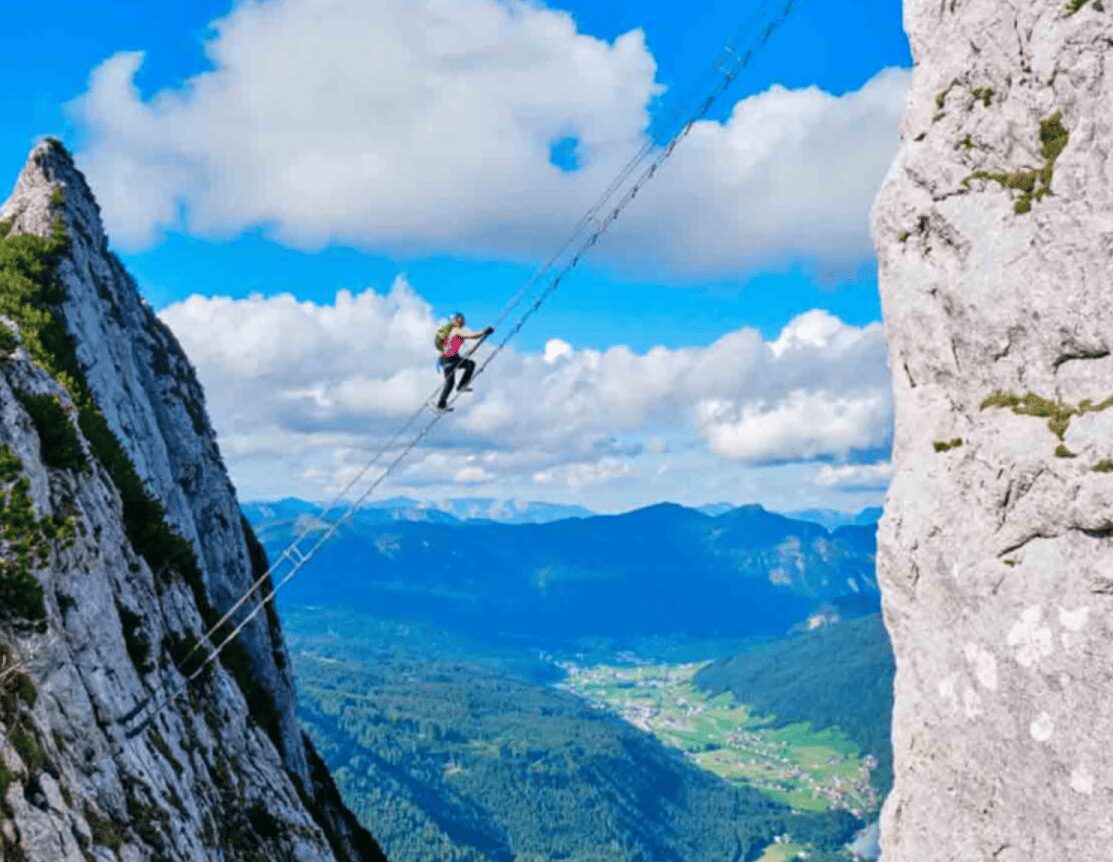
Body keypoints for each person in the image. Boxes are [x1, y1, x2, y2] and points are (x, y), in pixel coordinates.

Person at [434, 312, 493, 411]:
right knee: (470, 364)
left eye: (462, 318)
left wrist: (483, 336)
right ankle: (461, 386)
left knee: (450, 383)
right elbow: (472, 336)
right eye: (460, 319)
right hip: (450, 359)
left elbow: (453, 347)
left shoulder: (452, 332)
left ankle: (441, 404)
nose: (463, 320)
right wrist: (483, 331)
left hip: (446, 359)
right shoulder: (456, 330)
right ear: (455, 321)